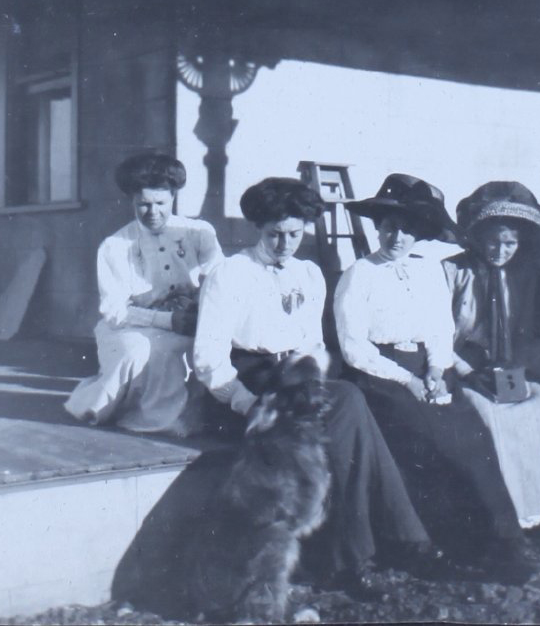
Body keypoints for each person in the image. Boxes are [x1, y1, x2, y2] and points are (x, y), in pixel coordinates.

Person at [192, 177, 450, 599]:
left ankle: (362, 556)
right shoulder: (231, 274)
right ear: (260, 228)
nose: (285, 244)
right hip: (248, 384)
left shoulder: (308, 274)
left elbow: (313, 344)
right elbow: (209, 358)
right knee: (349, 405)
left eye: (294, 234)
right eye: (275, 234)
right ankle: (389, 546)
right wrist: (248, 403)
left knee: (348, 412)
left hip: (296, 382)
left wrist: (309, 381)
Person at [334, 174, 531, 576]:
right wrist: (406, 380)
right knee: (427, 438)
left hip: (430, 369)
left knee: (473, 437)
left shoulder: (426, 272)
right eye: (390, 227)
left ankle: (503, 543)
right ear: (378, 228)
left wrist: (439, 368)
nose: (397, 237)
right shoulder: (359, 275)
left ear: (418, 234)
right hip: (380, 377)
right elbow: (354, 348)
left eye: (407, 230)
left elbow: (440, 328)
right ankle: (436, 543)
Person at [443, 181, 540, 529]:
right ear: (477, 238)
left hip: (501, 363)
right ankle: (502, 511)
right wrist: (466, 372)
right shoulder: (452, 271)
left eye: (510, 242)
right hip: (457, 364)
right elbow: (437, 336)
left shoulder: (522, 276)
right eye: (493, 241)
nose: (500, 250)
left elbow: (521, 332)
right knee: (488, 415)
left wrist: (512, 372)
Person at [65, 153, 223, 434]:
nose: (153, 213)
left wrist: (199, 307)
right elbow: (114, 311)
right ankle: (148, 416)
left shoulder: (199, 232)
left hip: (191, 319)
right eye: (143, 205)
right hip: (132, 325)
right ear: (132, 201)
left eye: (160, 203)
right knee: (146, 350)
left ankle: (188, 410)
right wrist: (166, 321)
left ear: (173, 196)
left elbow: (218, 277)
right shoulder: (115, 246)